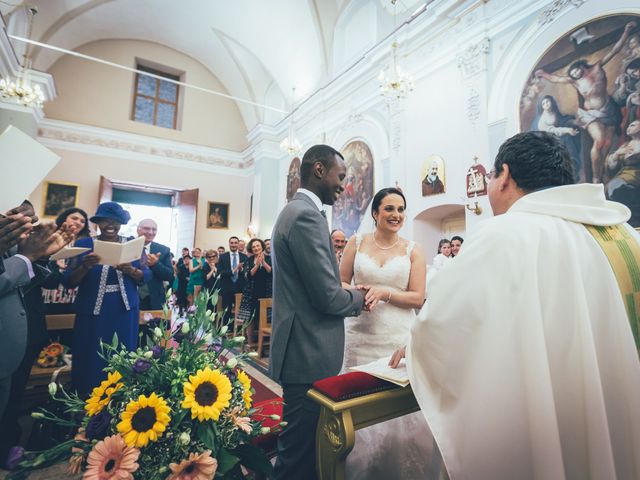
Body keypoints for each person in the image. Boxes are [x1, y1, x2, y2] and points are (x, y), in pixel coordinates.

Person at [393, 131, 640, 479]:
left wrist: (417, 343)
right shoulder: (624, 233)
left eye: (492, 177)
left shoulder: (507, 234)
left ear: (505, 175)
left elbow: (444, 325)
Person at [269, 144, 366, 480]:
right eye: (340, 176)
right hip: (307, 350)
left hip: (303, 348)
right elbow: (326, 297)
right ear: (319, 170)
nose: (343, 185)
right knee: (298, 455)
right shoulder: (306, 216)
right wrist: (358, 298)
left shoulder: (295, 211)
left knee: (305, 449)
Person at [339, 187, 430, 479]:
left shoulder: (412, 250)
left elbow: (417, 297)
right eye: (389, 209)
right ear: (375, 213)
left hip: (396, 336)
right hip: (358, 333)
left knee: (396, 405)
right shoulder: (356, 242)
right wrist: (356, 294)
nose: (396, 215)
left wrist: (386, 293)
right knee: (357, 402)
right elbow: (340, 282)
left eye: (401, 209)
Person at [63, 202, 150, 396]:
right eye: (104, 221)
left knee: (122, 355)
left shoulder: (133, 244)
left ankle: (120, 399)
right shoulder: (84, 244)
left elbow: (146, 276)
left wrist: (132, 270)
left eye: (115, 221)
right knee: (90, 356)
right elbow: (69, 281)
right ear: (97, 223)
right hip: (92, 312)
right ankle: (88, 401)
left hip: (124, 311)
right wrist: (85, 266)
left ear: (121, 222)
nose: (110, 225)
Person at [0, 202, 75, 425]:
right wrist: (27, 257)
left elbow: (16, 285)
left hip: (12, 347)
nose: (27, 222)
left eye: (30, 218)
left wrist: (39, 256)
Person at [535, 21, 636, 182]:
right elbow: (557, 79)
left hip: (608, 109)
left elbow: (615, 50)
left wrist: (626, 31)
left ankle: (602, 173)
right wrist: (543, 74)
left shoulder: (597, 67)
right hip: (590, 114)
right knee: (600, 140)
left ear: (582, 66)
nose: (575, 74)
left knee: (608, 143)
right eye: (573, 74)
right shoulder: (575, 81)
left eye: (576, 70)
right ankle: (596, 178)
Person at [41, 208, 91, 315]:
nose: (78, 222)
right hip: (49, 294)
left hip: (75, 297)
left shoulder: (86, 243)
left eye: (82, 221)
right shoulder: (51, 238)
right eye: (74, 218)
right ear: (64, 219)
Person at [531, 95, 582, 181]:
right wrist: (567, 130)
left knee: (569, 139)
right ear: (542, 107)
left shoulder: (554, 112)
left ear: (551, 102)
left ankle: (574, 166)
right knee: (567, 140)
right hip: (550, 142)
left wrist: (571, 122)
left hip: (558, 136)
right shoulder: (542, 120)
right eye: (543, 103)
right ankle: (570, 169)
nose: (546, 104)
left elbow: (562, 121)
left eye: (547, 101)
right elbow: (553, 130)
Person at [237, 238, 272, 343]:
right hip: (251, 292)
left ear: (262, 246)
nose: (256, 248)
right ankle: (250, 342)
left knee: (264, 317)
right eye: (253, 247)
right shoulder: (249, 260)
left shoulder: (270, 258)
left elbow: (272, 272)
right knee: (250, 318)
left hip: (266, 291)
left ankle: (263, 341)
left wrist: (264, 263)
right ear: (251, 249)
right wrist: (257, 265)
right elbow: (248, 275)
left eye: (258, 246)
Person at [606, 119, 640, 226]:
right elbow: (611, 167)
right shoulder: (625, 144)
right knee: (611, 187)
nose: (628, 128)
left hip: (636, 174)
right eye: (628, 126)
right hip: (624, 174)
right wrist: (616, 155)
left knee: (616, 186)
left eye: (633, 125)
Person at [136, 219, 174, 310]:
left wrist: (156, 264)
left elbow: (169, 275)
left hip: (154, 299)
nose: (150, 232)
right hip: (130, 296)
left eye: (154, 229)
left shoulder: (163, 250)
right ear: (138, 229)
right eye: (146, 228)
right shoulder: (128, 246)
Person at [217, 236, 247, 322]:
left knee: (240, 311)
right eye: (232, 243)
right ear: (229, 244)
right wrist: (233, 270)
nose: (233, 245)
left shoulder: (244, 257)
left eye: (235, 243)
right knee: (226, 310)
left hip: (240, 287)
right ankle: (225, 331)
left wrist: (241, 269)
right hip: (226, 287)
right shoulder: (223, 257)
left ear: (238, 244)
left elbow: (246, 272)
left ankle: (239, 331)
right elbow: (220, 273)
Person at [175, 247, 191, 313]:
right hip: (182, 285)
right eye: (185, 259)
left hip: (189, 285)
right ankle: (180, 311)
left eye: (188, 259)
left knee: (188, 299)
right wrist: (186, 278)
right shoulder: (181, 266)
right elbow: (179, 275)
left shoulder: (191, 267)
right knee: (181, 298)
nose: (187, 260)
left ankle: (188, 311)